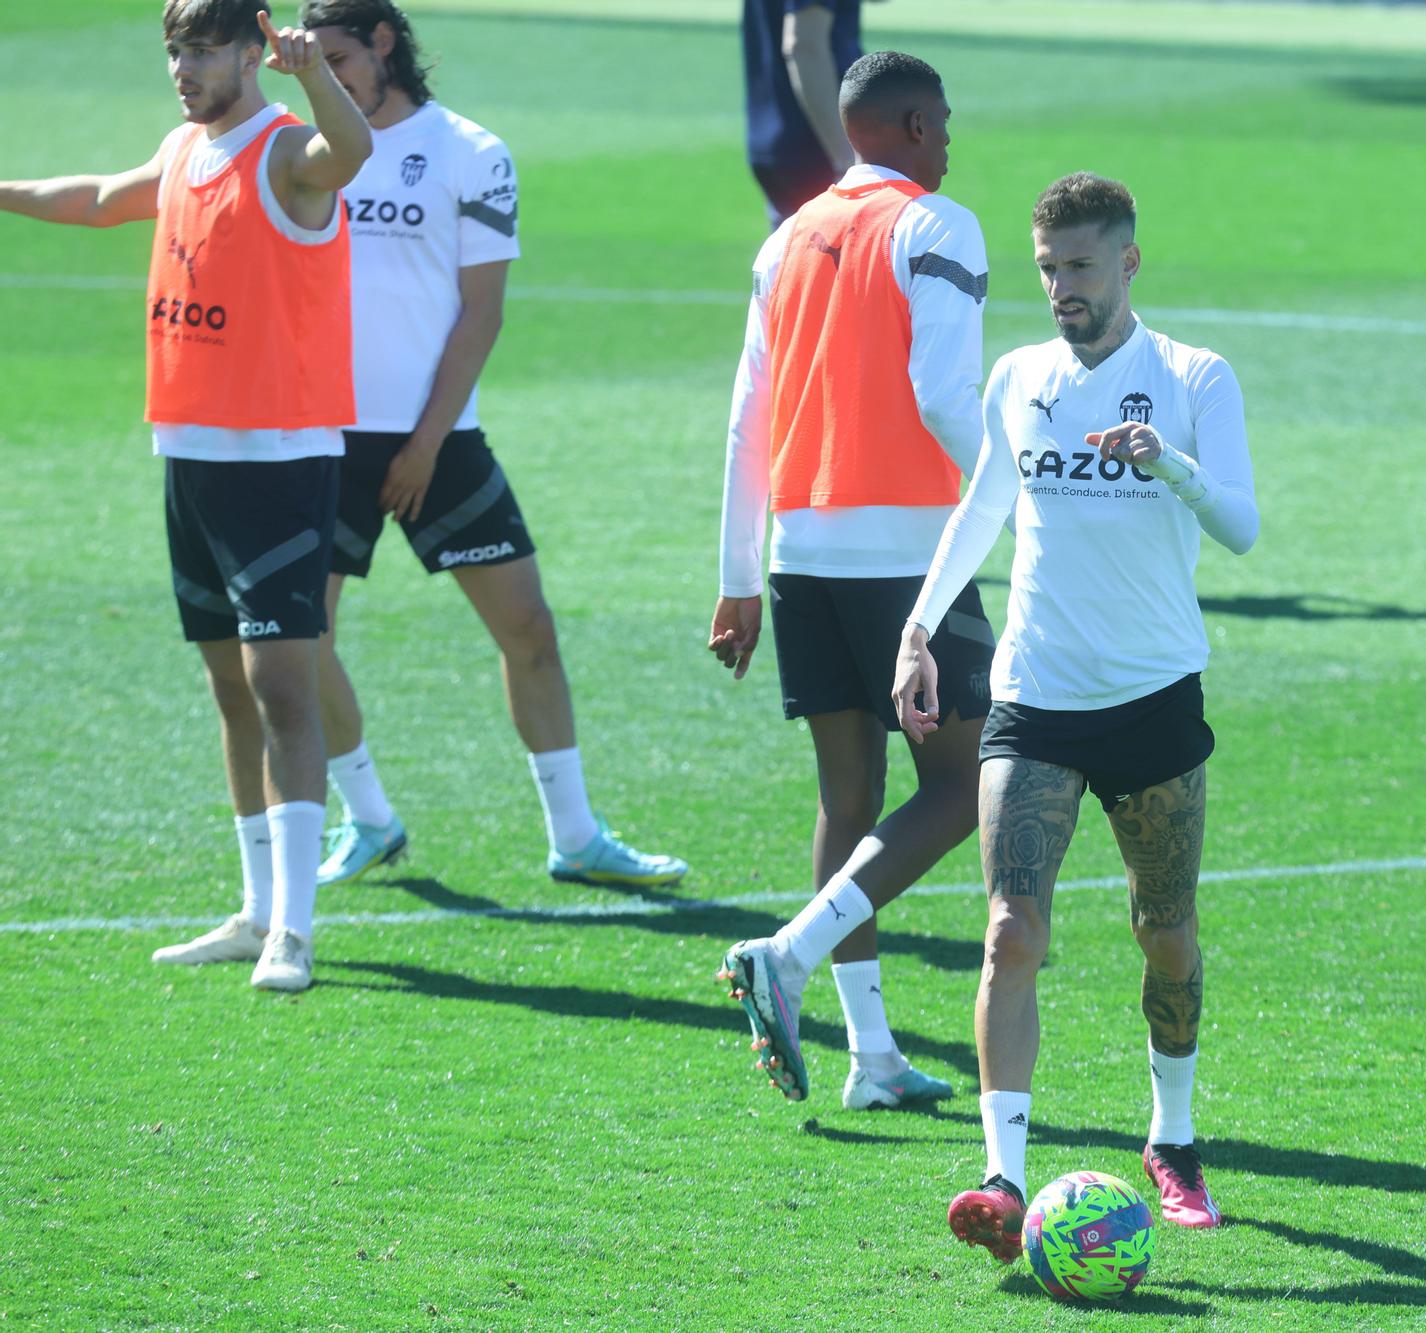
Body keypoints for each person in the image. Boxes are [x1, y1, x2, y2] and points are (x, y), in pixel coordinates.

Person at [892, 172, 1259, 1259]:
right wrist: (920, 625)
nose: (1061, 287)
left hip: (1152, 698)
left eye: (1081, 266)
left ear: (1128, 262)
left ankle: (1174, 1138)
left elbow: (1239, 526)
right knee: (1010, 930)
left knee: (1164, 930)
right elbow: (984, 506)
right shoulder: (1018, 377)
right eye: (1048, 267)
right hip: (1034, 696)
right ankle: (1000, 1175)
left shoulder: (1192, 377)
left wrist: (1170, 464)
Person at [0, 1, 371, 991]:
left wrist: (315, 77)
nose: (184, 66)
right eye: (174, 49)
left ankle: (295, 930)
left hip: (278, 464)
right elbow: (92, 197)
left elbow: (354, 151)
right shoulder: (181, 152)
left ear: (251, 53)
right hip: (192, 458)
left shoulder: (287, 149)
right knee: (227, 689)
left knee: (284, 691)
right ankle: (253, 911)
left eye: (203, 48)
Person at [300, 0, 688, 893]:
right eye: (309, 61)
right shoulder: (306, 145)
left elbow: (482, 310)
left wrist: (428, 442)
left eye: (336, 57)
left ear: (384, 45)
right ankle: (368, 816)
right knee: (301, 634)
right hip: (320, 433)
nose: (323, 75)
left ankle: (577, 834)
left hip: (440, 436)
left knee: (528, 628)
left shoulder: (472, 151)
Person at [711, 51, 990, 1111]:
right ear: (914, 125)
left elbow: (747, 415)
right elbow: (939, 390)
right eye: (946, 123)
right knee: (963, 783)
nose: (951, 141)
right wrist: (1021, 487)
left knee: (848, 797)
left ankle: (870, 1056)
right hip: (906, 553)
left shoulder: (785, 238)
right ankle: (783, 956)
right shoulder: (934, 223)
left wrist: (738, 576)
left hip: (801, 553)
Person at [742, 0, 864, 227]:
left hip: (778, 132)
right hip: (820, 144)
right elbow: (804, 45)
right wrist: (847, 158)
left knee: (790, 256)